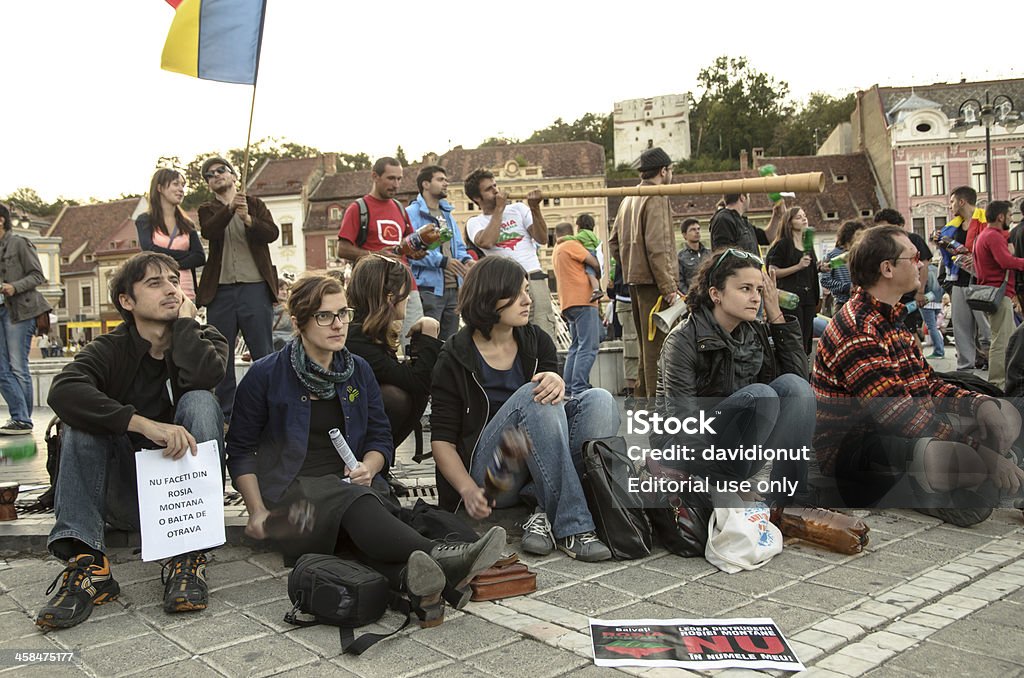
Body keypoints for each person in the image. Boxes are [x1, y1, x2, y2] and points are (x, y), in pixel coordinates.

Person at [226, 273, 504, 624]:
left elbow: (379, 437)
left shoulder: (357, 370)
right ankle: (443, 556)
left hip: (356, 490)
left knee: (358, 516)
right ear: (298, 322)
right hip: (293, 507)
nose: (338, 324)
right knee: (355, 503)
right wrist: (256, 512)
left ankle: (414, 581)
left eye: (344, 313)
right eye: (324, 316)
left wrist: (370, 468)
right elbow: (239, 450)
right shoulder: (266, 375)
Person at [36, 252, 227, 630]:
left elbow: (205, 376)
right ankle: (88, 565)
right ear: (127, 301)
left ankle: (187, 556)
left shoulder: (205, 337)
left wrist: (186, 326)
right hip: (121, 492)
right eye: (155, 284)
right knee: (77, 421)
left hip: (178, 503)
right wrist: (143, 424)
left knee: (201, 401)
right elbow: (63, 391)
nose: (171, 289)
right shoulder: (109, 349)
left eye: (174, 281)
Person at [813, 226, 1023, 526]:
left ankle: (991, 477)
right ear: (887, 268)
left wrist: (978, 404)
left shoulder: (891, 317)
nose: (922, 263)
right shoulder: (858, 328)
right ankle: (967, 482)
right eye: (913, 258)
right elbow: (898, 415)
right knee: (963, 458)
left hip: (903, 430)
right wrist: (982, 452)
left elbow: (928, 383)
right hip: (857, 449)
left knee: (1005, 414)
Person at [430, 256, 617, 562]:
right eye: (517, 294)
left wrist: (557, 379)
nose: (528, 300)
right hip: (493, 479)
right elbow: (442, 441)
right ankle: (573, 527)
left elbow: (551, 414)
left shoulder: (536, 341)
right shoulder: (455, 355)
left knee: (600, 401)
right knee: (534, 395)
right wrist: (467, 490)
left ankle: (542, 510)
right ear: (490, 297)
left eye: (527, 291)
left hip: (536, 470)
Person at [657, 248, 813, 505]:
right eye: (745, 289)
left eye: (759, 290)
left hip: (737, 448)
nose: (755, 298)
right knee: (762, 395)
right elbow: (683, 424)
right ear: (715, 294)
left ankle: (790, 501)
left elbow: (799, 390)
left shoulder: (753, 331)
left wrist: (776, 315)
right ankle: (724, 487)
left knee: (794, 387)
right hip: (683, 452)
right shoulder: (683, 339)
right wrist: (729, 486)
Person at [196, 156, 279, 423]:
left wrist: (248, 219)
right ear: (208, 184)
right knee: (222, 353)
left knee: (263, 351)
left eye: (221, 171)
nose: (216, 175)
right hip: (220, 291)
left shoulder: (254, 204)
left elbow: (271, 233)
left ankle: (271, 407)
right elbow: (209, 231)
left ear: (234, 176)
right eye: (210, 174)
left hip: (254, 286)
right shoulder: (207, 209)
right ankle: (227, 415)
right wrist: (231, 209)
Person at [345, 254, 443, 451]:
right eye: (405, 292)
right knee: (396, 398)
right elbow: (420, 382)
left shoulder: (363, 330)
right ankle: (371, 465)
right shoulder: (358, 338)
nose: (408, 297)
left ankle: (379, 462)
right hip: (340, 418)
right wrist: (429, 333)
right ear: (390, 297)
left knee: (408, 394)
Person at [608, 147, 680, 398]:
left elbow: (613, 242)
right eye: (671, 170)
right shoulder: (657, 196)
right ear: (663, 171)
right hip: (655, 285)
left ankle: (644, 404)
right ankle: (657, 411)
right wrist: (670, 288)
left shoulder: (629, 198)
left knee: (644, 349)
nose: (672, 175)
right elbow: (658, 248)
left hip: (635, 282)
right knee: (657, 350)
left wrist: (630, 265)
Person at [337, 157, 426, 347]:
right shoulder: (358, 208)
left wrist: (416, 252)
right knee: (379, 343)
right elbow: (342, 249)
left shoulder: (399, 208)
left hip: (406, 286)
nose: (396, 184)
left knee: (414, 339)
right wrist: (375, 255)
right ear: (375, 176)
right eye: (391, 178)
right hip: (375, 289)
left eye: (399, 179)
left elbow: (407, 244)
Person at [463, 169, 559, 343]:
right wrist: (499, 209)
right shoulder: (474, 222)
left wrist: (535, 208)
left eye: (495, 186)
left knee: (543, 332)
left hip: (534, 278)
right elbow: (487, 242)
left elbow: (542, 238)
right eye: (489, 189)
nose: (496, 191)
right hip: (505, 285)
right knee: (513, 339)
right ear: (477, 198)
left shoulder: (519, 209)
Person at [0, 203, 52, 434]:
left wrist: (14, 286)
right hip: (2, 311)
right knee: (1, 369)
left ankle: (22, 419)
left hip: (20, 310)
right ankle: (19, 416)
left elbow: (38, 275)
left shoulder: (18, 243)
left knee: (18, 365)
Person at [408, 165, 473, 341]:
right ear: (426, 184)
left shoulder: (446, 214)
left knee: (449, 343)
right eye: (440, 179)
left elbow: (457, 246)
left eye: (446, 179)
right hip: (429, 289)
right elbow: (411, 250)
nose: (446, 183)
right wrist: (442, 261)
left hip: (453, 287)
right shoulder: (411, 213)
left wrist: (466, 260)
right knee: (428, 341)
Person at [971, 200, 1024, 391]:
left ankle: (1001, 381)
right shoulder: (993, 236)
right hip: (999, 294)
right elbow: (1005, 261)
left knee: (1004, 338)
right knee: (1002, 341)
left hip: (992, 292)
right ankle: (998, 383)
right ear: (1001, 216)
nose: (1011, 218)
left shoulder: (982, 235)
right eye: (1009, 215)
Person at [939, 187, 991, 371]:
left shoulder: (985, 221)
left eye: (952, 201)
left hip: (981, 282)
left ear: (962, 202)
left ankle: (994, 362)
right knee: (961, 328)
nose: (950, 205)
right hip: (959, 280)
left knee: (986, 329)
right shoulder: (953, 226)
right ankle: (965, 367)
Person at [136, 168, 206, 300]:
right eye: (176, 184)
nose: (181, 189)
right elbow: (150, 250)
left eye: (182, 185)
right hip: (158, 290)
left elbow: (199, 257)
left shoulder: (187, 224)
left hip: (186, 290)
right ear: (160, 188)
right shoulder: (145, 220)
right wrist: (186, 256)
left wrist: (168, 261)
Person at [553, 222, 602, 396]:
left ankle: (568, 388)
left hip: (568, 302)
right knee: (588, 347)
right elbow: (593, 263)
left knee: (575, 347)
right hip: (584, 299)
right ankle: (579, 387)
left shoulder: (557, 250)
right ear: (571, 233)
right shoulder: (572, 245)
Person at [766, 206, 820, 354]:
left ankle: (805, 369)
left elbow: (808, 268)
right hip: (790, 298)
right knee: (795, 339)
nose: (804, 219)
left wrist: (820, 267)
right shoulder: (782, 245)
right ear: (789, 223)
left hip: (808, 297)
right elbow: (773, 271)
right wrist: (797, 266)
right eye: (798, 217)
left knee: (806, 339)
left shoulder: (807, 244)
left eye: (804, 216)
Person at [874, 209, 932, 342]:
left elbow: (924, 265)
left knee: (910, 332)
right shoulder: (884, 244)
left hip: (909, 295)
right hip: (892, 295)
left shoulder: (913, 240)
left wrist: (921, 291)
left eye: (884, 227)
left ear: (896, 225)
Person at [819, 220, 867, 309]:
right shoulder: (834, 255)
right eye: (858, 235)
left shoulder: (863, 253)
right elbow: (825, 280)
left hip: (863, 302)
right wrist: (845, 286)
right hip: (842, 303)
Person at [564, 214, 603, 302]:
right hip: (595, 253)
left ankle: (596, 290)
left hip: (589, 253)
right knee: (594, 274)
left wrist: (563, 238)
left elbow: (574, 238)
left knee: (590, 273)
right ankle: (598, 287)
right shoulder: (592, 234)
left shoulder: (583, 233)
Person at [677, 217, 710, 294]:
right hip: (693, 297)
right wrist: (689, 295)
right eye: (693, 230)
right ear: (684, 235)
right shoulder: (680, 257)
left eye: (698, 229)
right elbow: (680, 282)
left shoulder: (709, 254)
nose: (697, 232)